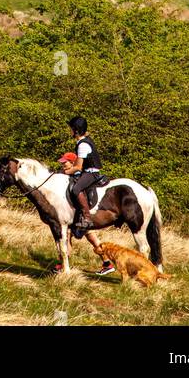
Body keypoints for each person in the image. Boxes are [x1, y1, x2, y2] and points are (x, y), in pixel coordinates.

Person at [65, 114, 115, 275]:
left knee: (75, 189)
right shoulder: (83, 141)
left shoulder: (82, 144)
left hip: (91, 173)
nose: (70, 131)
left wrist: (65, 171)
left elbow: (78, 166)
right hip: (89, 171)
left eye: (71, 128)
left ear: (76, 130)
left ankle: (86, 216)